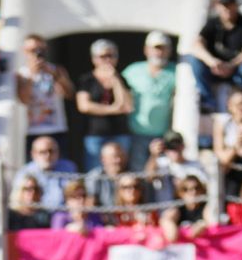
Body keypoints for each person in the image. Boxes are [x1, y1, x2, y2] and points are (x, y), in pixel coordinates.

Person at [188, 0, 242, 108]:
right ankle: (207, 101)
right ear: (218, 7)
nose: (227, 9)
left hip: (236, 69)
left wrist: (231, 65)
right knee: (194, 61)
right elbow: (196, 45)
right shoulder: (212, 23)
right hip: (215, 68)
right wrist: (212, 62)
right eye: (224, 5)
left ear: (235, 5)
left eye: (230, 5)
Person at [122, 32, 178, 170]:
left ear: (170, 50)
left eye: (163, 48)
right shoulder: (132, 71)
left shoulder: (177, 71)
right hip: (136, 134)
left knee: (161, 176)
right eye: (156, 48)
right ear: (146, 50)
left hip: (163, 135)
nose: (159, 52)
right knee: (138, 175)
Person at [76, 39, 133, 171]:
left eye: (111, 56)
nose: (107, 60)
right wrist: (113, 109)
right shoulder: (87, 80)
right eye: (103, 56)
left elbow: (127, 106)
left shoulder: (122, 78)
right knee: (95, 170)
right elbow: (84, 106)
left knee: (121, 170)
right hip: (95, 135)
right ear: (94, 59)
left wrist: (116, 80)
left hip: (120, 133)